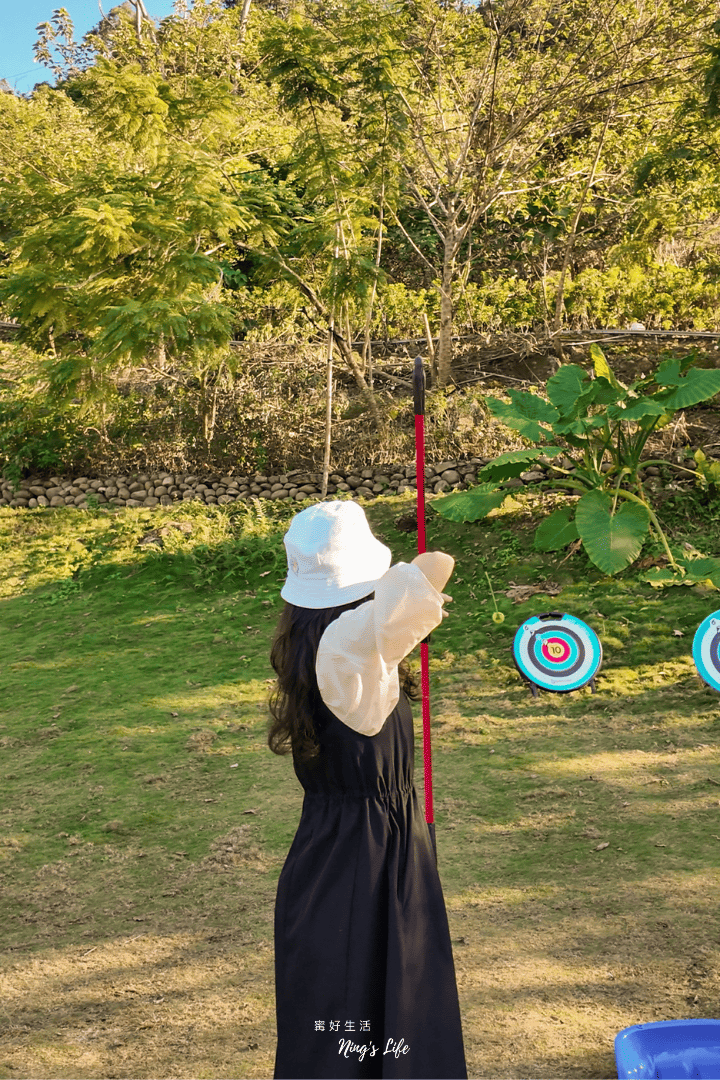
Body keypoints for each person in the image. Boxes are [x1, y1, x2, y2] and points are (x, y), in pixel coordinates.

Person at [267, 499, 467, 1080]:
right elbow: (438, 564)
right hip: (366, 854)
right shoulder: (347, 643)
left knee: (359, 1003)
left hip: (348, 845)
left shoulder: (324, 644)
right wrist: (392, 581)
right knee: (366, 1004)